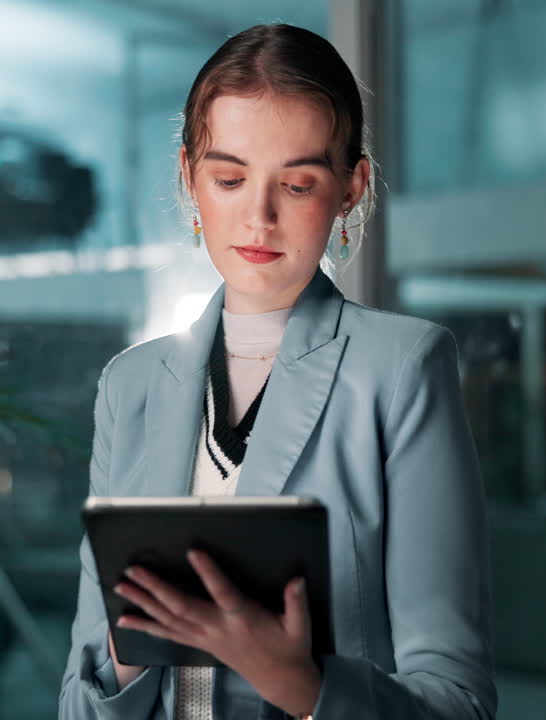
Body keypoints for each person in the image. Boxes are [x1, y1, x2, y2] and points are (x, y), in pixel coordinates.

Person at [58, 23, 496, 720]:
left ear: (352, 188)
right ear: (187, 178)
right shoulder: (130, 386)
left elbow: (458, 700)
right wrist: (126, 662)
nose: (257, 216)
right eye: (229, 178)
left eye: (296, 184)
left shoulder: (402, 371)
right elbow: (82, 697)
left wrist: (300, 682)